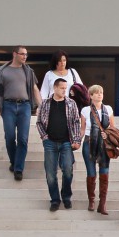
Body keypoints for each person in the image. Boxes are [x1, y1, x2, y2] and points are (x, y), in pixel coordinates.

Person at [0, 47, 39, 181]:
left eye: (26, 54)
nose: (25, 56)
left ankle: (18, 169)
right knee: (10, 137)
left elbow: (35, 89)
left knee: (23, 139)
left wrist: (42, 106)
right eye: (22, 54)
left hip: (25, 106)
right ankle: (14, 161)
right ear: (15, 54)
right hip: (8, 106)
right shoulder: (2, 71)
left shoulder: (28, 71)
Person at [34, 77, 81, 211]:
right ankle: (55, 200)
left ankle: (66, 197)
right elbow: (39, 122)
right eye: (62, 88)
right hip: (50, 142)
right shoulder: (45, 103)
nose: (64, 91)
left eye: (66, 88)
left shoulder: (71, 103)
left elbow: (76, 123)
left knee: (67, 170)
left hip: (66, 142)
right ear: (55, 88)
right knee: (50, 173)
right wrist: (44, 137)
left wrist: (76, 140)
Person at [77, 83, 116, 216]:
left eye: (101, 92)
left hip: (104, 145)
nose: (100, 94)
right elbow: (82, 130)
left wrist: (108, 133)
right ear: (91, 95)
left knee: (104, 173)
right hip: (89, 143)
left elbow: (113, 128)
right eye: (97, 92)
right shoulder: (85, 110)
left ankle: (102, 204)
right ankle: (92, 200)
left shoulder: (109, 109)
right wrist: (76, 141)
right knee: (91, 173)